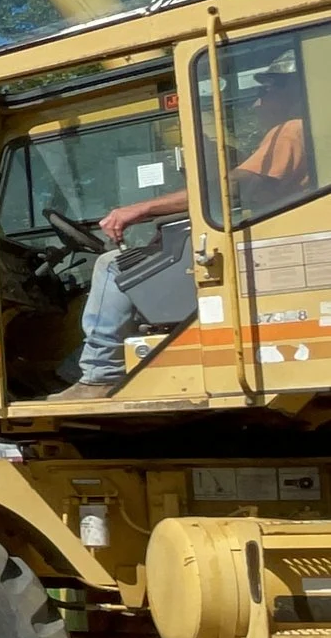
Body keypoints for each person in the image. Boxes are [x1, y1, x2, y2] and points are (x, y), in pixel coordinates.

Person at [55, 66, 313, 401]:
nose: (256, 105)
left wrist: (140, 209)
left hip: (259, 254)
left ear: (292, 92)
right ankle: (75, 371)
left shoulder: (291, 131)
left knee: (112, 265)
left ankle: (99, 374)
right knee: (138, 274)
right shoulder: (291, 133)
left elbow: (231, 187)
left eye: (265, 93)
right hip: (260, 248)